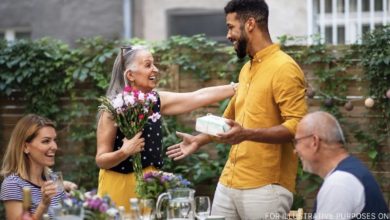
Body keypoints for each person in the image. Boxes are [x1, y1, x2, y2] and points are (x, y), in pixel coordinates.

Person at [166, 0, 308, 219]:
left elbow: (298, 127)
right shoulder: (247, 70)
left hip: (266, 186)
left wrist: (246, 134)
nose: (228, 35)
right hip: (230, 180)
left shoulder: (284, 68)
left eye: (231, 27)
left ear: (250, 24)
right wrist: (199, 140)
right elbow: (228, 121)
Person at [96, 45, 237, 211]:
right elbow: (101, 159)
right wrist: (124, 152)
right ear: (130, 75)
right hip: (118, 187)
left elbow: (197, 96)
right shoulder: (112, 111)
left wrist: (236, 88)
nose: (155, 69)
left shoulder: (155, 101)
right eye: (148, 65)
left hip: (150, 188)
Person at [294, 111, 389, 220]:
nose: (295, 150)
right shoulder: (350, 172)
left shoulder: (340, 183)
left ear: (314, 142)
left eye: (297, 142)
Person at [0, 114, 77, 219]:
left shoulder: (54, 180)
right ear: (25, 147)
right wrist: (43, 205)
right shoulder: (13, 184)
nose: (54, 147)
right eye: (46, 141)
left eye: (55, 140)